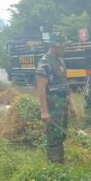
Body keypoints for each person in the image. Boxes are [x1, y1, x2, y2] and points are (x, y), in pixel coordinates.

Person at [36, 32, 75, 164]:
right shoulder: (44, 62)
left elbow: (64, 83)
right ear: (54, 45)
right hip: (52, 103)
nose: (64, 48)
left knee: (61, 134)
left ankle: (60, 163)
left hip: (62, 102)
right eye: (62, 46)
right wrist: (44, 111)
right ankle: (54, 166)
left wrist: (71, 105)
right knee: (53, 136)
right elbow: (41, 87)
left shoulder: (60, 61)